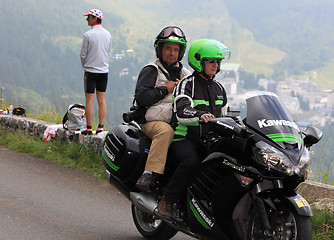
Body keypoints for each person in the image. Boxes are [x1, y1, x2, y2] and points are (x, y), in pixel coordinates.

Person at [157, 39, 231, 219]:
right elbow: (181, 111)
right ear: (199, 61)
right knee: (192, 162)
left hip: (209, 140)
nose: (215, 65)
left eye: (217, 61)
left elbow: (225, 115)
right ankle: (168, 198)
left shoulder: (219, 88)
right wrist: (200, 115)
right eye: (211, 61)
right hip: (184, 138)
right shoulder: (186, 84)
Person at [134, 26, 191, 192]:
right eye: (168, 49)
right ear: (160, 49)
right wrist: (165, 89)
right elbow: (142, 97)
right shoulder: (151, 69)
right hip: (152, 121)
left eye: (175, 50)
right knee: (165, 131)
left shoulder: (186, 74)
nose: (172, 53)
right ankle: (148, 173)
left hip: (177, 122)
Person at [80, 9, 112, 135]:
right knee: (102, 99)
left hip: (90, 71)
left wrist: (85, 66)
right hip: (104, 71)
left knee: (89, 100)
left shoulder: (87, 35)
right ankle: (100, 127)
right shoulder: (108, 34)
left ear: (95, 18)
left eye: (89, 17)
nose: (87, 19)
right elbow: (108, 52)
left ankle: (88, 128)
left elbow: (83, 54)